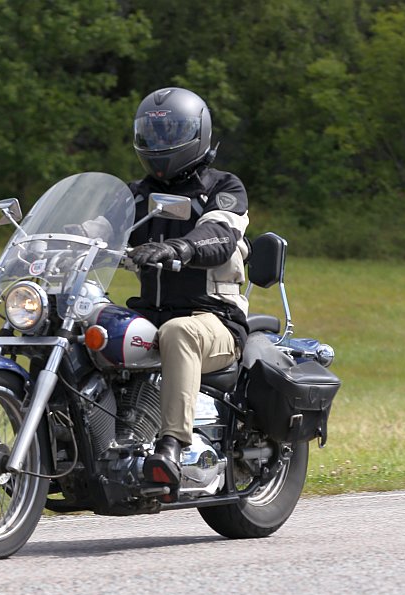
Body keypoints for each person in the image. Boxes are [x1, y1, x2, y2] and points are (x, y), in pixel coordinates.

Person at [127, 87, 250, 494]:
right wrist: (66, 237)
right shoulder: (138, 194)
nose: (160, 144)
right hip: (149, 314)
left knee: (178, 332)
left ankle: (171, 448)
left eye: (171, 133)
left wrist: (179, 247)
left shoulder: (222, 187)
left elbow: (219, 234)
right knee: (93, 327)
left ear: (197, 133)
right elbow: (100, 228)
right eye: (153, 134)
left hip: (213, 320)